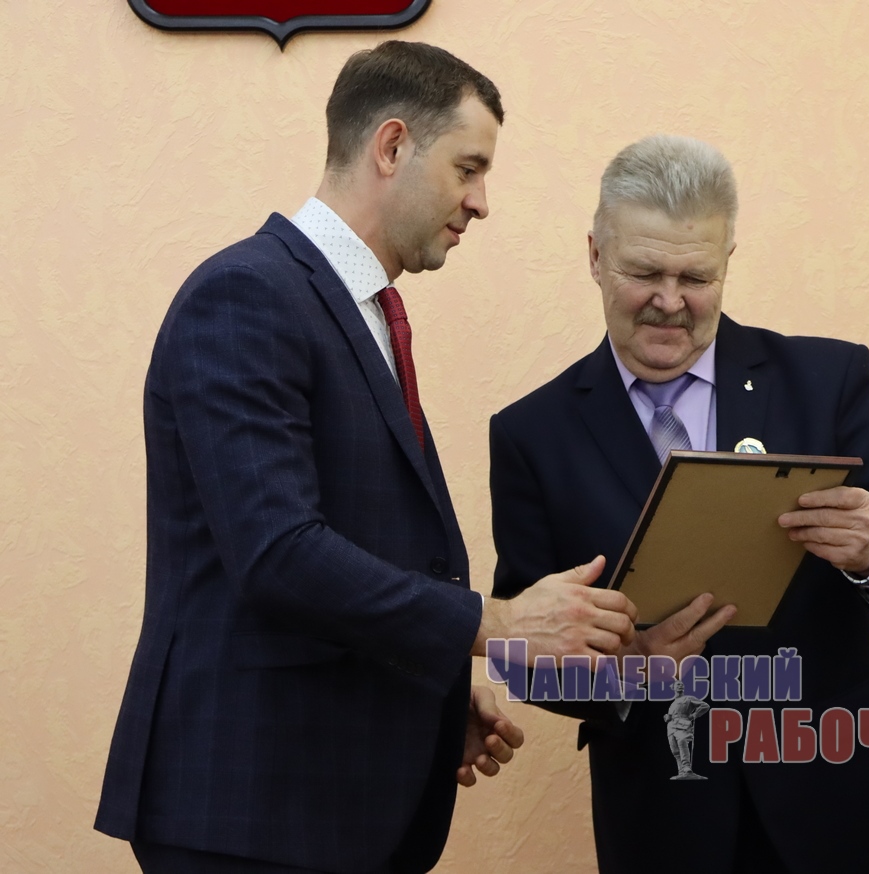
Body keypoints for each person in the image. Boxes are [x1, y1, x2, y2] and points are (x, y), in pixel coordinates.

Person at [94, 41, 639, 874]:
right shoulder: (246, 295)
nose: (481, 202)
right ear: (391, 146)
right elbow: (279, 555)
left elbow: (365, 542)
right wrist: (496, 624)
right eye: (468, 168)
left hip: (327, 805)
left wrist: (428, 695)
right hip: (248, 812)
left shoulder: (363, 312)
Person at [490, 135, 869, 874]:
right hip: (667, 819)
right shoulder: (530, 433)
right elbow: (521, 654)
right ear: (596, 257)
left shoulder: (826, 377)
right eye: (645, 272)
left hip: (840, 801)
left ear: (728, 261)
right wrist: (627, 670)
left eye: (696, 276)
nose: (670, 301)